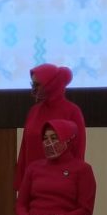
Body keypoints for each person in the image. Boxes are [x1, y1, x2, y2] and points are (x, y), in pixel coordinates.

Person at [14, 64, 85, 192]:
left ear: (51, 84)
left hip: (61, 183)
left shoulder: (72, 111)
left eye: (37, 84)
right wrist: (21, 183)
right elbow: (24, 149)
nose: (33, 88)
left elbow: (78, 150)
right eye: (32, 84)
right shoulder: (34, 111)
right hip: (33, 182)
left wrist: (75, 181)